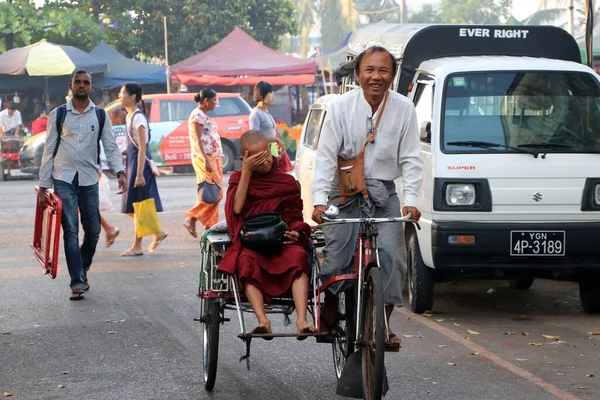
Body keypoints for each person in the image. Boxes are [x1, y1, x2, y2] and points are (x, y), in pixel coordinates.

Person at [311, 46, 424, 344]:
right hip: (343, 190)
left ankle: (382, 325)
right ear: (359, 74)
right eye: (370, 70)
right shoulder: (340, 107)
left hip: (384, 192)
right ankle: (331, 309)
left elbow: (412, 158)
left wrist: (411, 201)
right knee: (336, 258)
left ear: (393, 76)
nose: (376, 77)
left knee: (394, 257)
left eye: (383, 71)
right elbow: (325, 156)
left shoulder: (404, 109)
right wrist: (319, 200)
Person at [37, 70, 127, 301]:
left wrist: (120, 171)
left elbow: (110, 146)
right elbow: (48, 150)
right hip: (63, 177)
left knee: (94, 231)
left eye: (86, 83)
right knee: (71, 230)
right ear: (71, 85)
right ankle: (77, 281)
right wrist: (44, 185)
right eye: (78, 82)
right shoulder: (58, 115)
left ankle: (83, 267)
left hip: (88, 179)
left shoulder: (100, 116)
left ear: (92, 88)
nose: (82, 86)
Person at [218, 130, 316, 338]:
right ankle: (263, 320)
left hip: (282, 241)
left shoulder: (285, 181)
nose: (265, 160)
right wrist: (246, 172)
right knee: (245, 261)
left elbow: (295, 215)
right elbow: (236, 210)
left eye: (267, 153)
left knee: (298, 256)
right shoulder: (238, 179)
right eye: (256, 157)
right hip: (253, 242)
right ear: (245, 157)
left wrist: (297, 233)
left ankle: (302, 320)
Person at [119, 82, 168, 256]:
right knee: (135, 205)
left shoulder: (138, 118)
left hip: (139, 165)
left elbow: (142, 147)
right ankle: (155, 233)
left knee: (136, 205)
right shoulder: (129, 116)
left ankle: (139, 244)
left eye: (122, 93)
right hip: (133, 163)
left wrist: (139, 174)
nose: (119, 96)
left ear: (132, 97)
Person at [182, 89, 224, 238]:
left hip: (214, 157)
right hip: (206, 158)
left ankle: (210, 226)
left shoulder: (204, 116)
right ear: (206, 100)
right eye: (214, 100)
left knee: (216, 192)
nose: (215, 103)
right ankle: (192, 217)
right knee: (214, 192)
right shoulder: (197, 115)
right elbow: (197, 139)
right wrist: (205, 159)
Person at [249, 81, 286, 153]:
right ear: (261, 94)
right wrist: (276, 140)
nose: (273, 96)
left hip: (272, 150)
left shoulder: (266, 112)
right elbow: (254, 139)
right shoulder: (256, 113)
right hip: (263, 153)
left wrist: (277, 142)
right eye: (270, 93)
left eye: (273, 93)